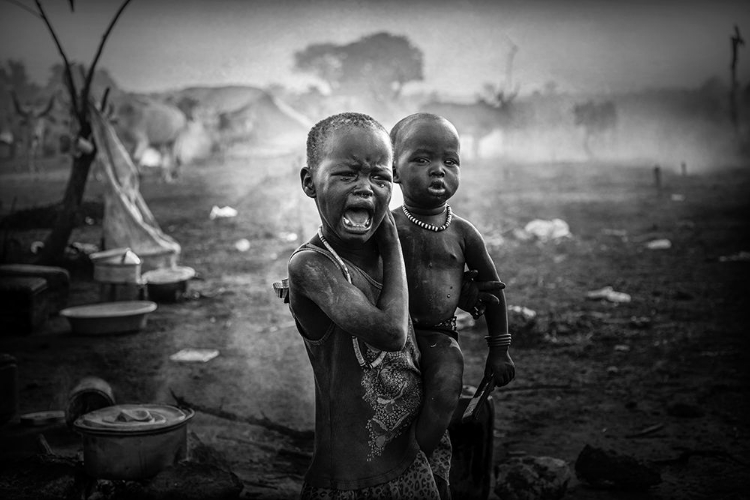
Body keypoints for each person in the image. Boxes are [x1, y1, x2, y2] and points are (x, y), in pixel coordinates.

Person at [286, 112, 442, 499]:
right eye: (346, 175)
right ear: (309, 182)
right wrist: (391, 241)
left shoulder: (393, 258)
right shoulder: (312, 266)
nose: (365, 189)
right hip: (351, 479)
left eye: (380, 176)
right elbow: (391, 333)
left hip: (414, 457)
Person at [390, 112, 516, 494]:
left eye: (450, 161)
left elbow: (493, 292)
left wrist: (499, 352)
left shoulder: (463, 233)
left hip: (439, 336)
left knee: (447, 386)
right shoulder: (386, 226)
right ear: (393, 172)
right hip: (390, 338)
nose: (439, 170)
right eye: (422, 159)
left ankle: (411, 465)